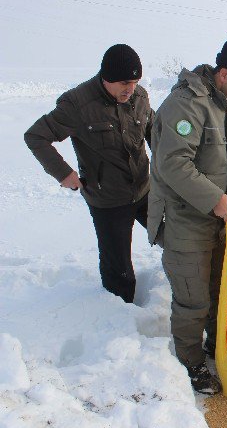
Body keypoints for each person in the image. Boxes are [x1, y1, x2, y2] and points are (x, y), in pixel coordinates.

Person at [148, 35, 227, 395]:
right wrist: (215, 199)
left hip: (218, 219)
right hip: (185, 219)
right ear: (224, 73)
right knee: (193, 298)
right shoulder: (185, 106)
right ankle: (189, 363)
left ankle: (213, 346)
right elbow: (172, 163)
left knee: (221, 290)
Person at [25, 44, 153, 304]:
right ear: (106, 78)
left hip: (144, 189)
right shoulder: (77, 104)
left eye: (136, 81)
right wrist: (63, 173)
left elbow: (153, 131)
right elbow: (36, 136)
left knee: (176, 238)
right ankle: (120, 318)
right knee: (119, 270)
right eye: (125, 82)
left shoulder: (139, 96)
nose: (131, 88)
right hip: (108, 200)